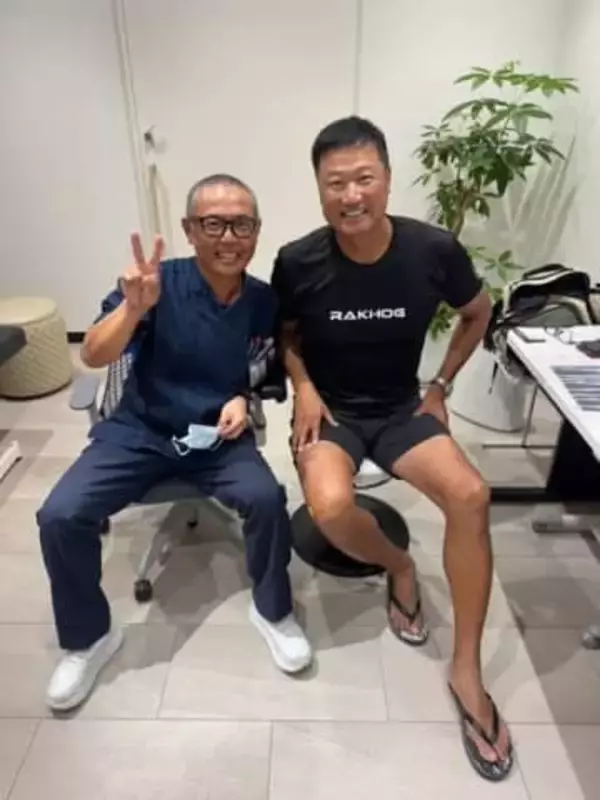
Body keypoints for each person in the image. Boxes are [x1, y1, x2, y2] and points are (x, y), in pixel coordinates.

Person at [271, 117, 513, 782]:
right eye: (335, 183)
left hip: (403, 409)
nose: (351, 195)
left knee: (472, 495)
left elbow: (478, 311)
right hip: (333, 411)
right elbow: (284, 336)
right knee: (328, 505)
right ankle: (399, 567)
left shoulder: (432, 249)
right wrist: (303, 387)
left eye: (364, 179)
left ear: (386, 178)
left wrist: (440, 385)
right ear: (319, 190)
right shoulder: (298, 260)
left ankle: (466, 672)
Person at [37, 174, 312, 712]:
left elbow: (259, 363)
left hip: (217, 437)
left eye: (242, 225)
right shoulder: (155, 283)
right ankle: (89, 638)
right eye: (213, 224)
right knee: (60, 515)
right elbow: (93, 355)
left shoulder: (261, 299)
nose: (229, 237)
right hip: (139, 432)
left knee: (267, 499)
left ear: (257, 231)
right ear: (189, 230)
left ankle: (273, 610)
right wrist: (132, 309)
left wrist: (242, 396)